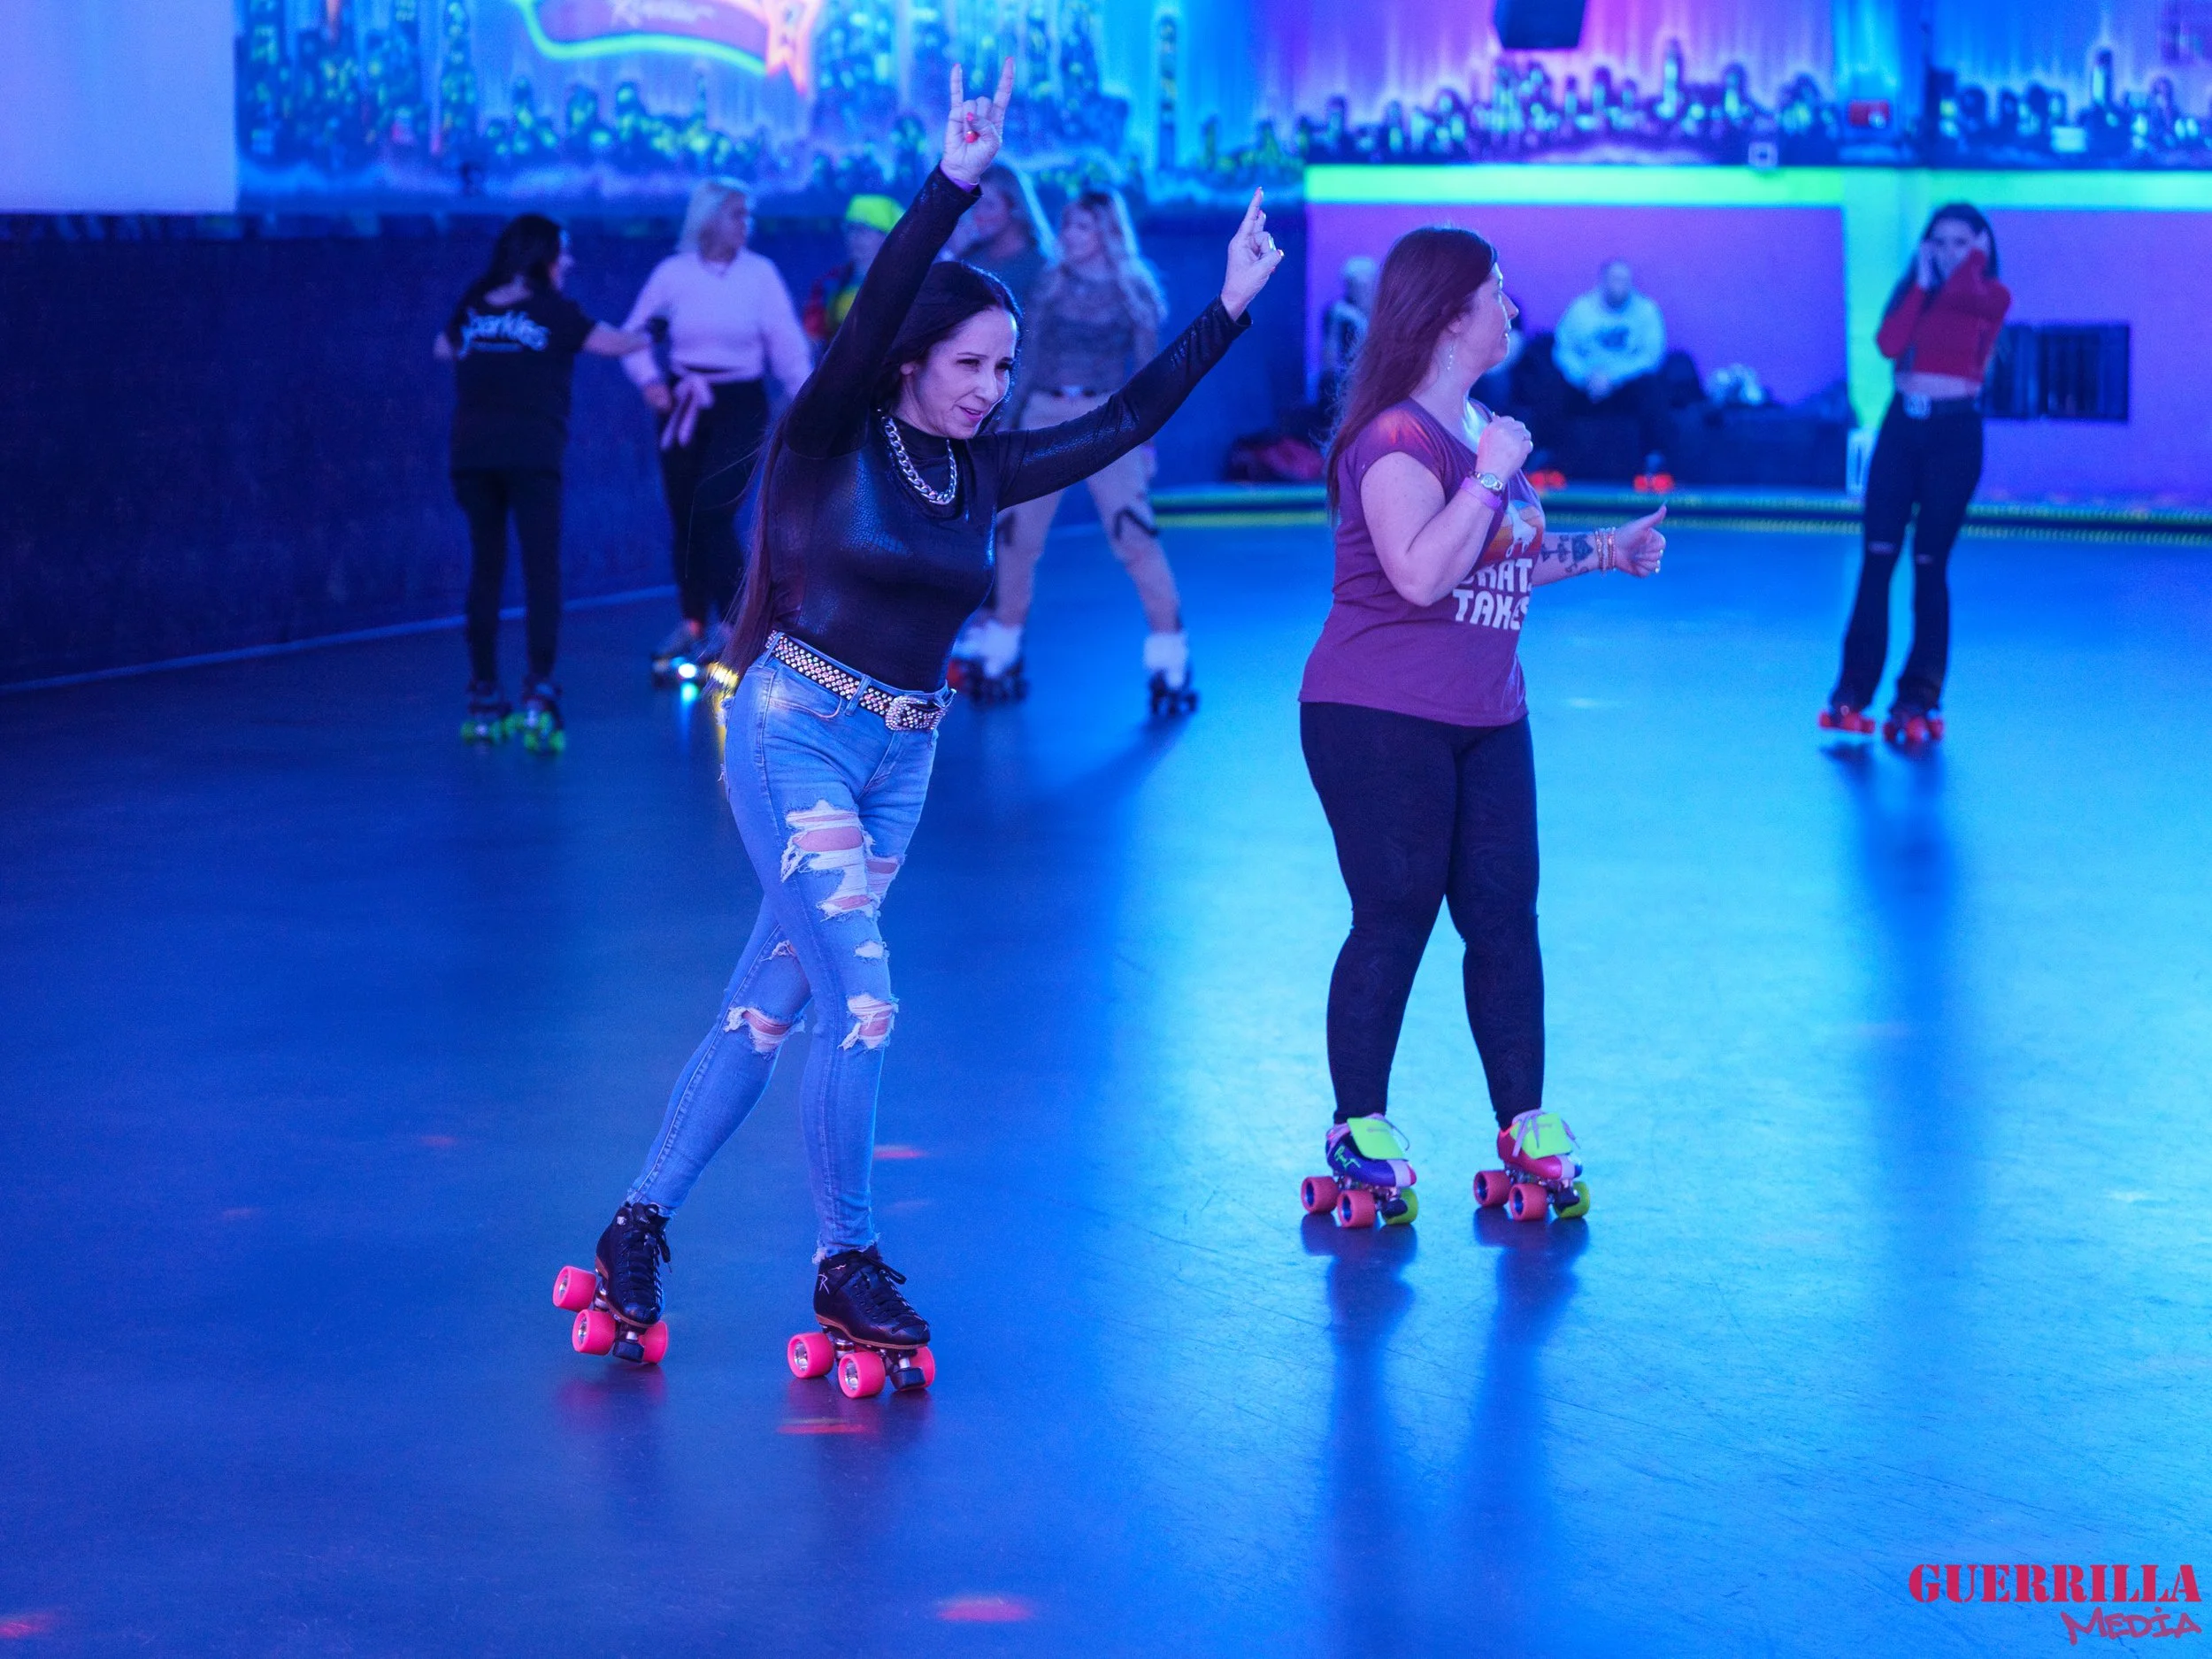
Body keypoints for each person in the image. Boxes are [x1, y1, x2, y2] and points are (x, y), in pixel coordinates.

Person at [571, 61, 1282, 1376]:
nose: (988, 387)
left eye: (1004, 369)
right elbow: (884, 301)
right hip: (794, 731)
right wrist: (952, 182)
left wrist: (1229, 310)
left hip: (903, 753)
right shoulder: (841, 430)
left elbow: (1126, 412)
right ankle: (844, 1259)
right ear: (909, 361)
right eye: (970, 364)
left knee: (773, 1005)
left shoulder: (986, 466)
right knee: (868, 1002)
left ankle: (635, 1224)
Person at [1296, 226, 1664, 1225]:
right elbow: (1419, 570)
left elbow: (1495, 560)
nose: (1513, 310)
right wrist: (1492, 472)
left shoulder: (1474, 426)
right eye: (1499, 294)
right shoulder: (1395, 440)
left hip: (1487, 713)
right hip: (1375, 715)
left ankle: (1525, 1125)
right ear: (1450, 312)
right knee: (1397, 914)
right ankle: (1356, 1128)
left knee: (1505, 918)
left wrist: (1601, 551)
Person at [949, 188, 1195, 714]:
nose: (1070, 238)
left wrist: (1145, 440)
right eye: (1067, 228)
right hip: (1041, 413)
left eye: (1083, 228)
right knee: (1015, 538)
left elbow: (1152, 375)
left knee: (1134, 535)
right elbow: (1027, 359)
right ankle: (1003, 647)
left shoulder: (1135, 289)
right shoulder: (1050, 284)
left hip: (1107, 419)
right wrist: (1003, 426)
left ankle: (1169, 652)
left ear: (1107, 231)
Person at [435, 214, 650, 749]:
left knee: (486, 570)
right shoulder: (553, 311)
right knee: (540, 572)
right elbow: (618, 345)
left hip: (473, 456)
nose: (569, 263)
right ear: (543, 256)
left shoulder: (477, 302)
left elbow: (442, 348)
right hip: (531, 457)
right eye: (563, 253)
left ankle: (485, 696)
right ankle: (539, 694)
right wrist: (659, 329)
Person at [1821, 204, 2009, 747]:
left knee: (1929, 566)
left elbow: (1966, 314)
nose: (1949, 253)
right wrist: (1921, 284)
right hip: (1903, 430)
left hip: (1954, 437)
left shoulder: (1990, 297)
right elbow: (1888, 346)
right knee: (1877, 562)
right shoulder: (1916, 291)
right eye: (1939, 242)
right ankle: (1851, 692)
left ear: (1982, 248)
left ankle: (1919, 695)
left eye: (1962, 243)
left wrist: (1962, 270)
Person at [620, 180, 812, 685]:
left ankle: (739, 628)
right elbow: (634, 335)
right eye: (735, 215)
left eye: (748, 216)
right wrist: (650, 382)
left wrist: (810, 396)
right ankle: (693, 621)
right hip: (685, 402)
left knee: (713, 508)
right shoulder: (673, 274)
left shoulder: (760, 275)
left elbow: (787, 345)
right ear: (706, 218)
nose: (745, 225)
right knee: (685, 517)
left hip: (739, 404)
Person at [1550, 257, 1672, 478]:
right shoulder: (1580, 309)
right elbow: (1563, 350)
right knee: (1551, 386)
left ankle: (1654, 460)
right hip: (1585, 386)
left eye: (1626, 280)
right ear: (1603, 281)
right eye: (1616, 279)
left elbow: (1651, 357)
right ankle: (1544, 457)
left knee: (1652, 388)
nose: (1621, 285)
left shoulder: (1647, 311)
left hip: (1625, 387)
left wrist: (1612, 378)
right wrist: (1586, 377)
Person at [945, 159, 1055, 313]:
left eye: (989, 205)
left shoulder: (1040, 265)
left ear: (1015, 206)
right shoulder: (972, 255)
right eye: (976, 205)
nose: (979, 215)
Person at [803, 194, 901, 349]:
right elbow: (811, 335)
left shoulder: (906, 283)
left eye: (864, 230)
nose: (854, 237)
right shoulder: (830, 283)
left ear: (887, 235)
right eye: (851, 228)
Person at [1317, 255, 1378, 418]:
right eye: (1356, 287)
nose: (1362, 293)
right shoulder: (1338, 313)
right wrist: (1335, 325)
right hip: (1347, 379)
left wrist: (1361, 324)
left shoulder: (1386, 311)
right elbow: (1328, 364)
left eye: (1366, 286)